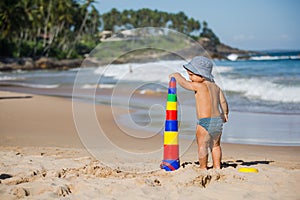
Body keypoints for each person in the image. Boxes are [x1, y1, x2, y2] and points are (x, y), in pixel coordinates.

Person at [169, 56, 229, 169]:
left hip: (204, 122)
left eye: (191, 75)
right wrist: (225, 113)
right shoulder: (216, 87)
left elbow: (185, 84)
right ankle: (217, 166)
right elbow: (223, 101)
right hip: (218, 122)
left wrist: (176, 76)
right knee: (216, 146)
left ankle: (203, 167)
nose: (189, 77)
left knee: (203, 146)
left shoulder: (199, 86)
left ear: (202, 75)